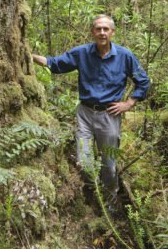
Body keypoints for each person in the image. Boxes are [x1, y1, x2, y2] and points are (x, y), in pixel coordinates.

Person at [32, 14, 150, 209]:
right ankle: (90, 198)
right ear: (92, 32)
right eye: (98, 29)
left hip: (110, 115)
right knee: (84, 161)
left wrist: (129, 103)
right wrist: (28, 55)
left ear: (112, 32)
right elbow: (55, 63)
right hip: (85, 114)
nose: (102, 32)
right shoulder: (82, 53)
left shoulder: (125, 56)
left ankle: (110, 203)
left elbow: (142, 80)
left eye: (106, 29)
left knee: (109, 164)